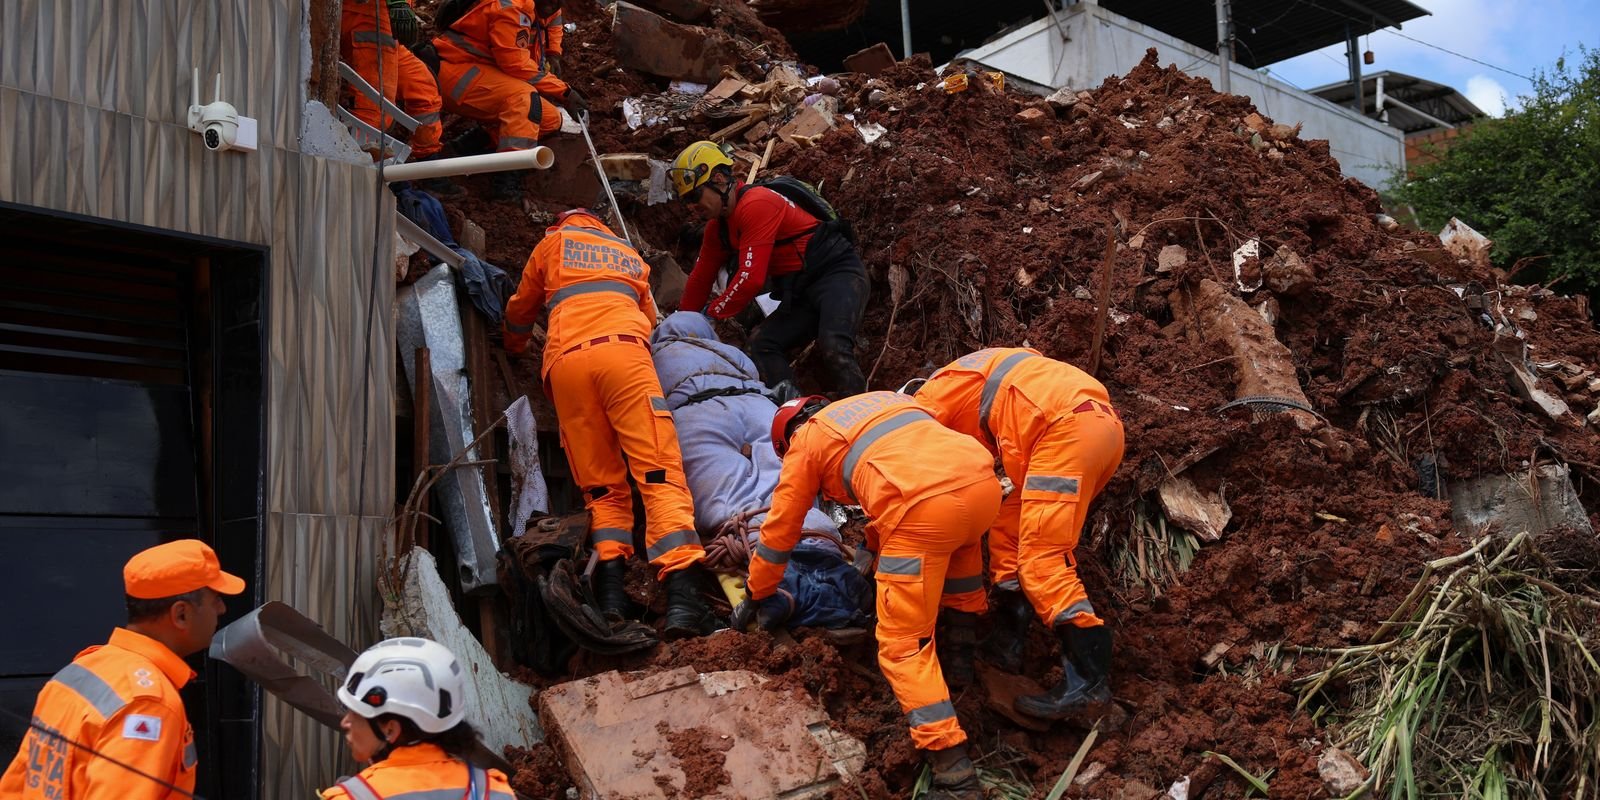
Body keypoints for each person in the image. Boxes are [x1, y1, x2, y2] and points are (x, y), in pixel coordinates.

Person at [742, 392, 1001, 800]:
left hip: (920, 510)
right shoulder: (879, 401)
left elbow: (780, 530)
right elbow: (910, 465)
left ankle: (955, 774)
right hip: (981, 485)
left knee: (902, 644)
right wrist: (870, 549)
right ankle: (961, 661)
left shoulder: (807, 440)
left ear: (786, 437)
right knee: (960, 556)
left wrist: (759, 591)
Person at [501, 209, 719, 638]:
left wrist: (513, 346)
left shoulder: (552, 245)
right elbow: (653, 322)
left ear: (561, 223)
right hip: (624, 358)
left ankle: (613, 596)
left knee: (601, 487)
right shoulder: (627, 252)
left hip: (566, 364)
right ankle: (682, 600)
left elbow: (520, 309)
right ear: (599, 226)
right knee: (658, 474)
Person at [912, 347, 1125, 719]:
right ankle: (1009, 638)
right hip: (1100, 428)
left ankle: (1088, 685)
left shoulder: (926, 406)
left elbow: (936, 480)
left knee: (1043, 559)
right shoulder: (979, 368)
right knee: (1008, 526)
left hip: (1061, 433)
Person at [650, 311, 868, 629]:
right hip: (759, 408)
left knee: (728, 496)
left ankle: (778, 571)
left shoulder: (654, 357)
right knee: (789, 486)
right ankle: (816, 544)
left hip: (695, 413)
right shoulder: (733, 354)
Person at [0, 540, 246, 799]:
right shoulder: (149, 704)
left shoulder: (83, 669)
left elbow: (17, 784)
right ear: (181, 614)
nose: (222, 608)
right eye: (215, 599)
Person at [668, 140, 869, 400]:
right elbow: (700, 278)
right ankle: (794, 413)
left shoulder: (757, 203)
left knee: (833, 344)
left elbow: (751, 279)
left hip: (838, 274)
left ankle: (864, 411)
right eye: (686, 201)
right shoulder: (717, 229)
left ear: (718, 179)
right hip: (800, 291)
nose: (692, 207)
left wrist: (711, 314)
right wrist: (681, 325)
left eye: (694, 196)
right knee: (760, 346)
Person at [321, 638, 513, 800]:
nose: (345, 722)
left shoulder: (347, 796)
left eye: (355, 713)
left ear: (391, 730)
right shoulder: (493, 792)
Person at [433, 0, 587, 200]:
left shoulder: (545, 5)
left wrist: (553, 53)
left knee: (549, 119)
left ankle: (466, 146)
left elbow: (553, 19)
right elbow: (514, 64)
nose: (555, 4)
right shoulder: (513, 8)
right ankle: (506, 178)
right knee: (523, 98)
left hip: (485, 73)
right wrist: (565, 92)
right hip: (458, 73)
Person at [339, 0, 445, 165]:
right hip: (366, 17)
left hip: (384, 19)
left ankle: (429, 165)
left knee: (422, 88)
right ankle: (364, 172)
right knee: (374, 108)